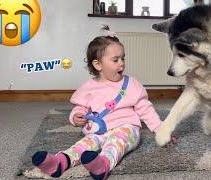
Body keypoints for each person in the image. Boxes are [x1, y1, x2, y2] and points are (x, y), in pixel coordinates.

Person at [32, 26, 173, 180]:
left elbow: (145, 109)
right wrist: (76, 117)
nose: (121, 64)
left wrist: (161, 129)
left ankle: (103, 164)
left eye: (123, 58)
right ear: (98, 65)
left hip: (126, 128)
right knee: (84, 144)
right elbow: (80, 108)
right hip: (97, 131)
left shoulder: (132, 84)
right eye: (115, 60)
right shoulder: (88, 88)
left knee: (116, 143)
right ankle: (61, 161)